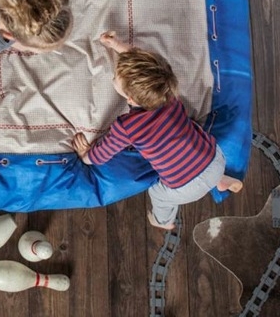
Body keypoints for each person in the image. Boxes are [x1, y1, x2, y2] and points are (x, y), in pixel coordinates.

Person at [72, 31, 242, 230]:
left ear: (130, 100)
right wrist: (118, 46)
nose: (115, 76)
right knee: (192, 130)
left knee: (157, 192)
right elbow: (149, 67)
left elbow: (101, 156)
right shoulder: (168, 93)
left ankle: (164, 221)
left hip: (185, 187)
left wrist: (85, 155)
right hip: (215, 161)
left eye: (116, 78)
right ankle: (221, 180)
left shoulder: (127, 127)